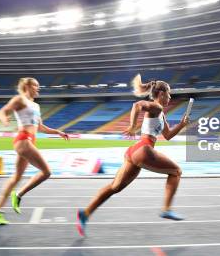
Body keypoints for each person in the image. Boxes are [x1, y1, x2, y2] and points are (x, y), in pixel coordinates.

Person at [76, 74, 189, 236]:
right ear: (161, 94)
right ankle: (166, 209)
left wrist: (182, 124)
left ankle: (85, 213)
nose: (170, 97)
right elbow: (137, 105)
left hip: (135, 152)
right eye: (169, 94)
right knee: (176, 172)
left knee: (115, 187)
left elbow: (168, 135)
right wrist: (132, 126)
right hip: (144, 150)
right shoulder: (156, 107)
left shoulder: (161, 114)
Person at [0, 77, 69, 224]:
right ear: (27, 86)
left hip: (29, 140)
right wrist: (5, 119)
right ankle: (18, 195)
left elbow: (41, 128)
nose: (38, 89)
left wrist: (58, 132)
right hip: (23, 140)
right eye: (36, 86)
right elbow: (1, 112)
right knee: (46, 172)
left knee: (16, 178)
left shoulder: (36, 106)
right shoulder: (19, 100)